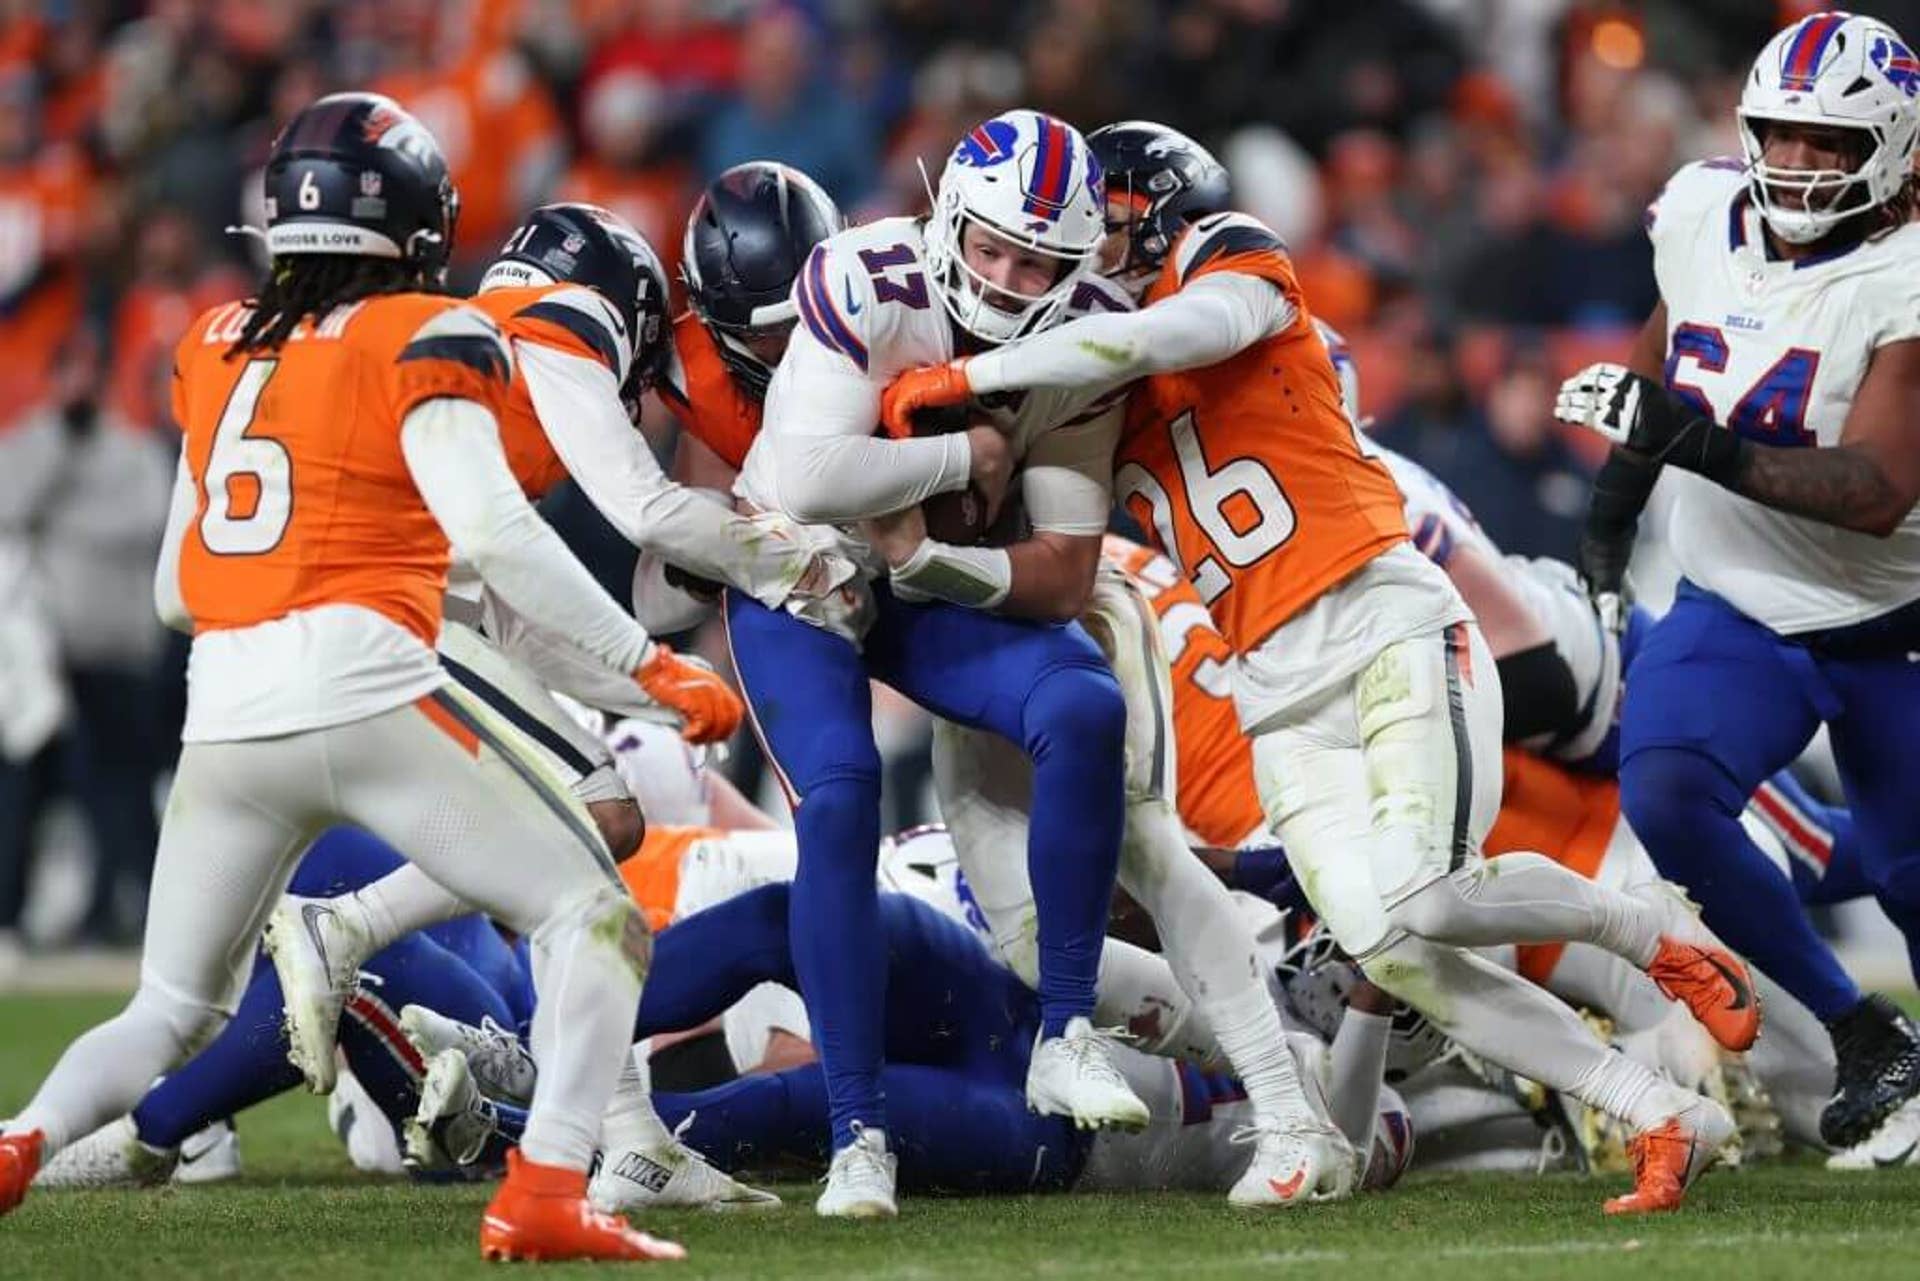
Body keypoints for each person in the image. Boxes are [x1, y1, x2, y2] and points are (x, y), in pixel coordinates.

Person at [880, 118, 1755, 1214]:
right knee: (1391, 949)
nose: (1080, 248)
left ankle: (1653, 930)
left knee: (1428, 895)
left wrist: (981, 367)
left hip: (1381, 616)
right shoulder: (1080, 391)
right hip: (1273, 688)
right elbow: (1053, 525)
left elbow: (1166, 336)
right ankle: (1654, 1109)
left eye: (1099, 221)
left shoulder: (1229, 261)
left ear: (1160, 211)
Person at [0, 93, 685, 1263]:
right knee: (594, 913)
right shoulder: (426, 329)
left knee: (168, 1008)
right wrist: (646, 662)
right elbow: (504, 537)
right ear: (417, 223)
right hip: (369, 682)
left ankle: (20, 1141)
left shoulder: (214, 342)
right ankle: (549, 1192)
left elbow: (178, 588)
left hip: (222, 708)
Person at [725, 109, 1156, 1217]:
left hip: (923, 585)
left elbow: (1061, 572)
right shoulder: (866, 273)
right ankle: (856, 1131)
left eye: (1039, 263)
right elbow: (814, 478)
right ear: (947, 218)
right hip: (801, 572)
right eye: (993, 249)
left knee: (1081, 701)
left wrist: (929, 561)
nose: (1009, 280)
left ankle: (1065, 1030)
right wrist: (966, 450)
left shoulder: (1092, 335)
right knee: (840, 800)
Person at [1555, 10, 1920, 1156]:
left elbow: (1875, 490)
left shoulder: (1907, 272)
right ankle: (1863, 1034)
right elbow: (1663, 372)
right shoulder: (1702, 209)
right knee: (1665, 796)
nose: (1798, 163)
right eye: (1782, 133)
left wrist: (1696, 445)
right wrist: (1611, 523)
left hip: (1895, 620)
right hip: (1739, 603)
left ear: (1895, 151)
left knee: (1913, 882)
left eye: (1830, 144)